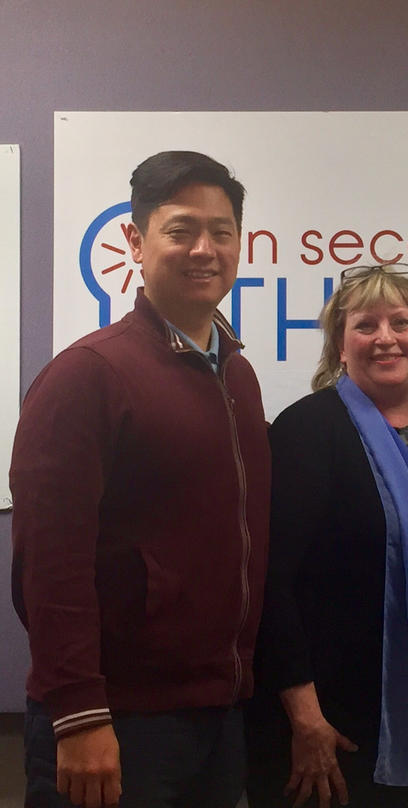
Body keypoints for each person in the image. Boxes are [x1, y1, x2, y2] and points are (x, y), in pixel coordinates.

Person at [10, 151, 271, 808]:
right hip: (118, 724)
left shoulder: (237, 375)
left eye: (222, 231)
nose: (204, 249)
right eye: (181, 230)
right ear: (136, 240)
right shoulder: (89, 376)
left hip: (219, 714)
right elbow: (49, 562)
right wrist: (78, 712)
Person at [245, 263, 408, 808]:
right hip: (332, 726)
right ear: (341, 346)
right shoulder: (308, 431)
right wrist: (306, 718)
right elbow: (271, 584)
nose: (385, 338)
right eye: (366, 325)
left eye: (400, 322)